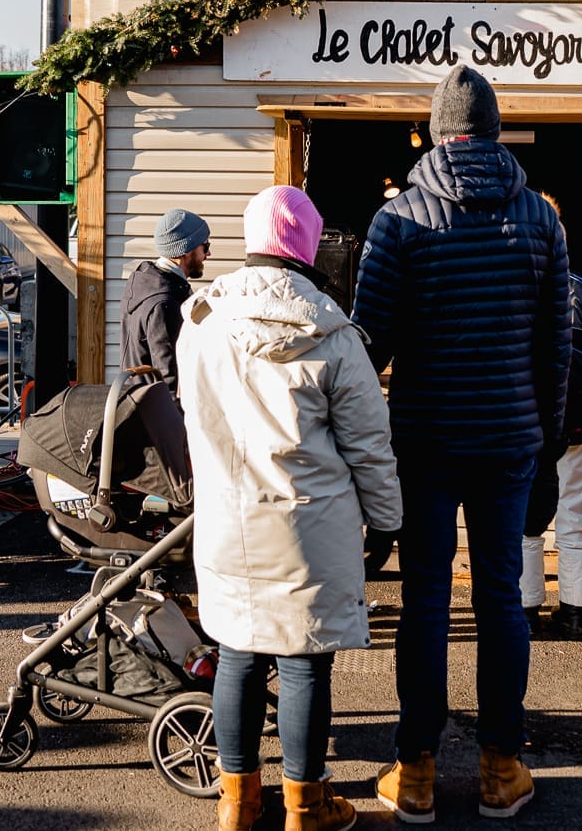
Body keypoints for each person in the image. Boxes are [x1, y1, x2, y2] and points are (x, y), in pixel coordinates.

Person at [352, 67, 569, 823]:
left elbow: (366, 346)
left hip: (427, 439)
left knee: (425, 601)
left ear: (437, 129)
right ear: (494, 127)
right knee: (502, 599)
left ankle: (414, 772)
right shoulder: (540, 218)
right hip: (510, 437)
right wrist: (545, 446)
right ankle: (501, 767)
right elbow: (557, 349)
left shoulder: (400, 219)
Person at [176, 186, 401, 831]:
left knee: (237, 653)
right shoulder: (332, 332)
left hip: (225, 517)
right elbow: (369, 445)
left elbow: (195, 415)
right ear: (308, 246)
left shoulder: (202, 321)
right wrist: (386, 521)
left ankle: (236, 803)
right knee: (303, 660)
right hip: (310, 526)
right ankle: (306, 806)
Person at [521, 193, 582, 640]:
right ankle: (576, 612)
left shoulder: (508, 284)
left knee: (523, 521)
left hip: (521, 425)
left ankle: (524, 611)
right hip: (576, 423)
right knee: (577, 516)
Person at [121, 207, 211, 387]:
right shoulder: (164, 302)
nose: (208, 254)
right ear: (187, 249)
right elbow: (168, 375)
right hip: (158, 410)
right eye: (205, 246)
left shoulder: (146, 282)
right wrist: (179, 414)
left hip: (143, 403)